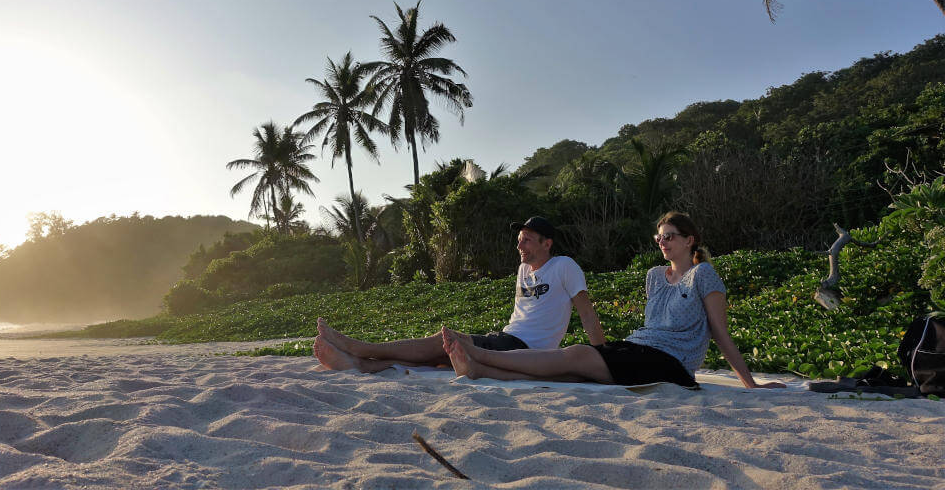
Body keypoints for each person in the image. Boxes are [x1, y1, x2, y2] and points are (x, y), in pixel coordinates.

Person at [442, 211, 785, 389]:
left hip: (671, 363)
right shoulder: (654, 276)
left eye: (670, 237)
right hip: (639, 347)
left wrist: (749, 382)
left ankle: (480, 354)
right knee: (576, 374)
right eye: (659, 237)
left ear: (689, 240)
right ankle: (480, 369)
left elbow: (720, 333)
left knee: (576, 356)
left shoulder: (704, 274)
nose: (663, 242)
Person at [313, 216, 607, 373]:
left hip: (526, 350)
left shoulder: (563, 266)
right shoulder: (522, 271)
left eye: (527, 240)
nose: (520, 246)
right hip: (505, 339)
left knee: (443, 343)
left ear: (547, 243)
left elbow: (587, 314)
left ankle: (361, 349)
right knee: (439, 356)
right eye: (519, 240)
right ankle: (361, 364)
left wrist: (605, 358)